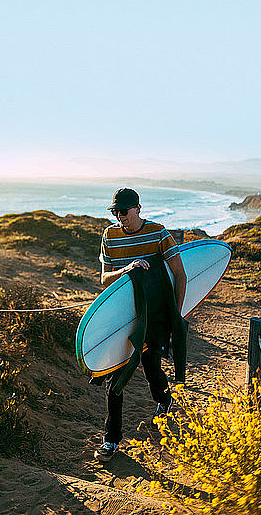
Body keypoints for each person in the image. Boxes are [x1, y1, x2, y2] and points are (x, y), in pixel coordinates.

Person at [94, 187, 187, 463]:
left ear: (138, 208)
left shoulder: (158, 233)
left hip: (153, 316)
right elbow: (104, 278)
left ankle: (164, 398)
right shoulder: (109, 236)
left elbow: (180, 275)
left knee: (151, 367)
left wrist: (176, 316)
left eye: (124, 211)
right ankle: (111, 440)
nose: (120, 217)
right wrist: (127, 269)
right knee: (116, 378)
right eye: (116, 212)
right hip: (122, 318)